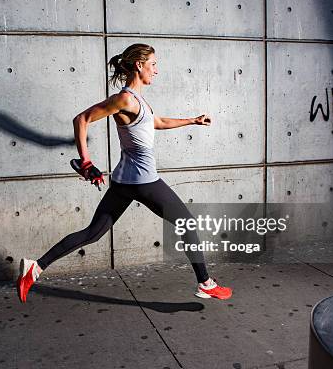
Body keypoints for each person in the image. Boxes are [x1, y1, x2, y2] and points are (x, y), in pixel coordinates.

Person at [17, 43, 232, 303]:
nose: (157, 70)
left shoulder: (138, 100)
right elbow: (81, 119)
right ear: (139, 65)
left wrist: (192, 120)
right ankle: (206, 283)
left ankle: (35, 267)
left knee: (93, 233)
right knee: (187, 223)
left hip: (124, 181)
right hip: (143, 180)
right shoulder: (126, 98)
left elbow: (158, 122)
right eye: (153, 64)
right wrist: (86, 162)